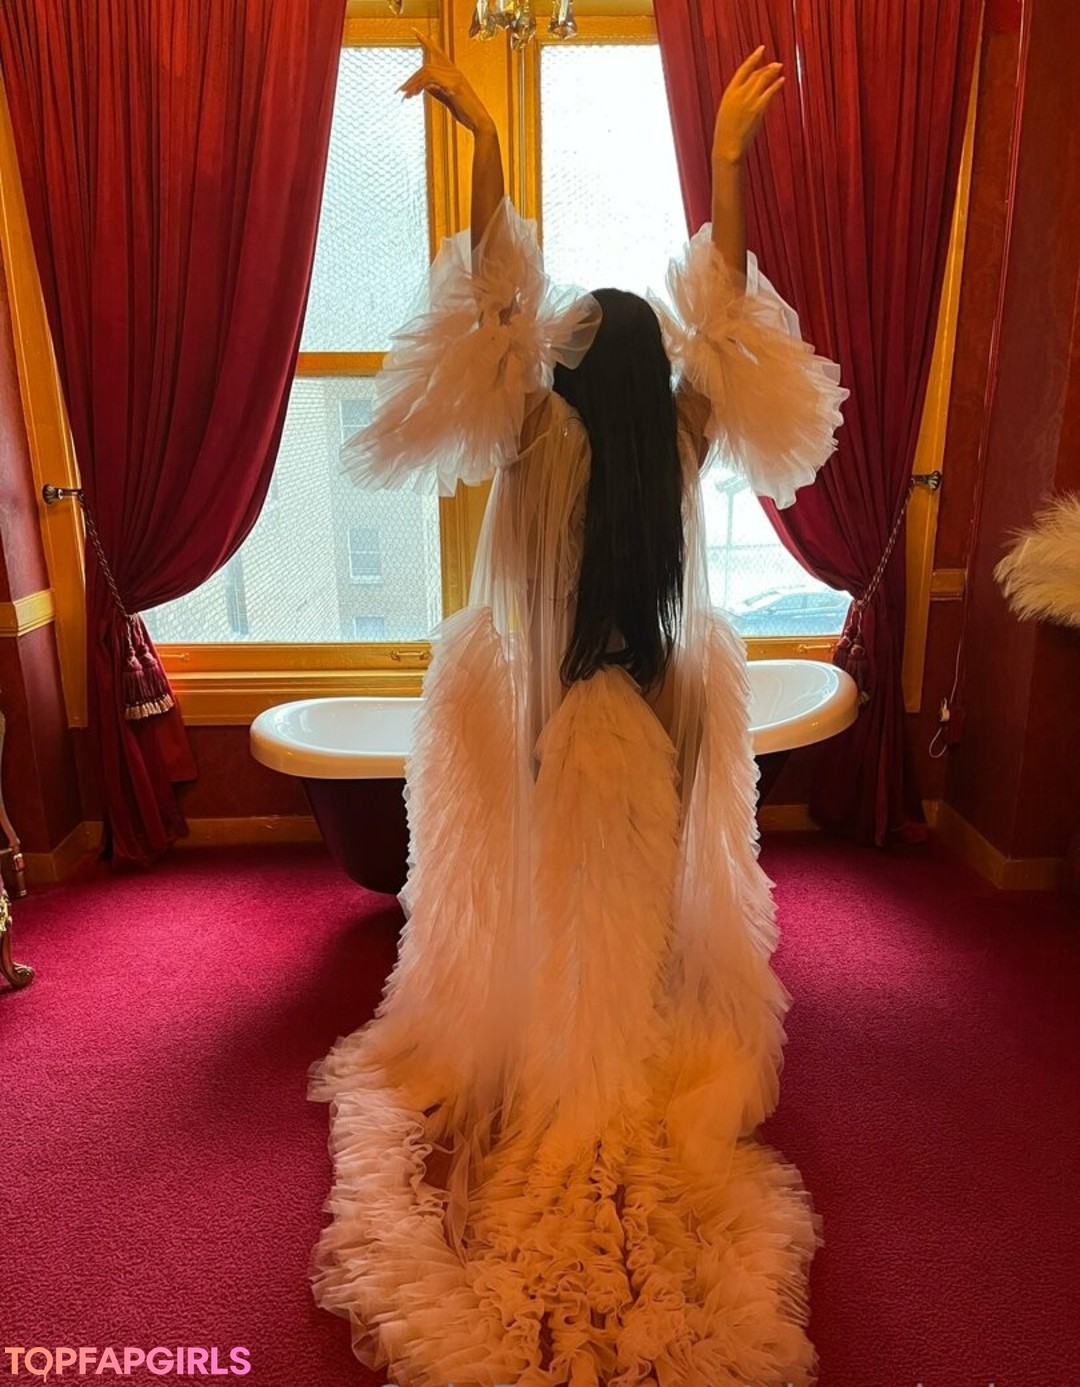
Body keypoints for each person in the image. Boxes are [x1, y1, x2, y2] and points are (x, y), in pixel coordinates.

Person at [310, 36, 848, 1387]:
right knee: (645, 906)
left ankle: (567, 1040)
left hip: (551, 718)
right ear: (650, 378)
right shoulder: (680, 440)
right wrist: (729, 160)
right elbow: (728, 328)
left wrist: (487, 146)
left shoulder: (531, 434)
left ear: (567, 372)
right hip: (665, 705)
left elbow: (492, 305)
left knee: (557, 895)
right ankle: (633, 1036)